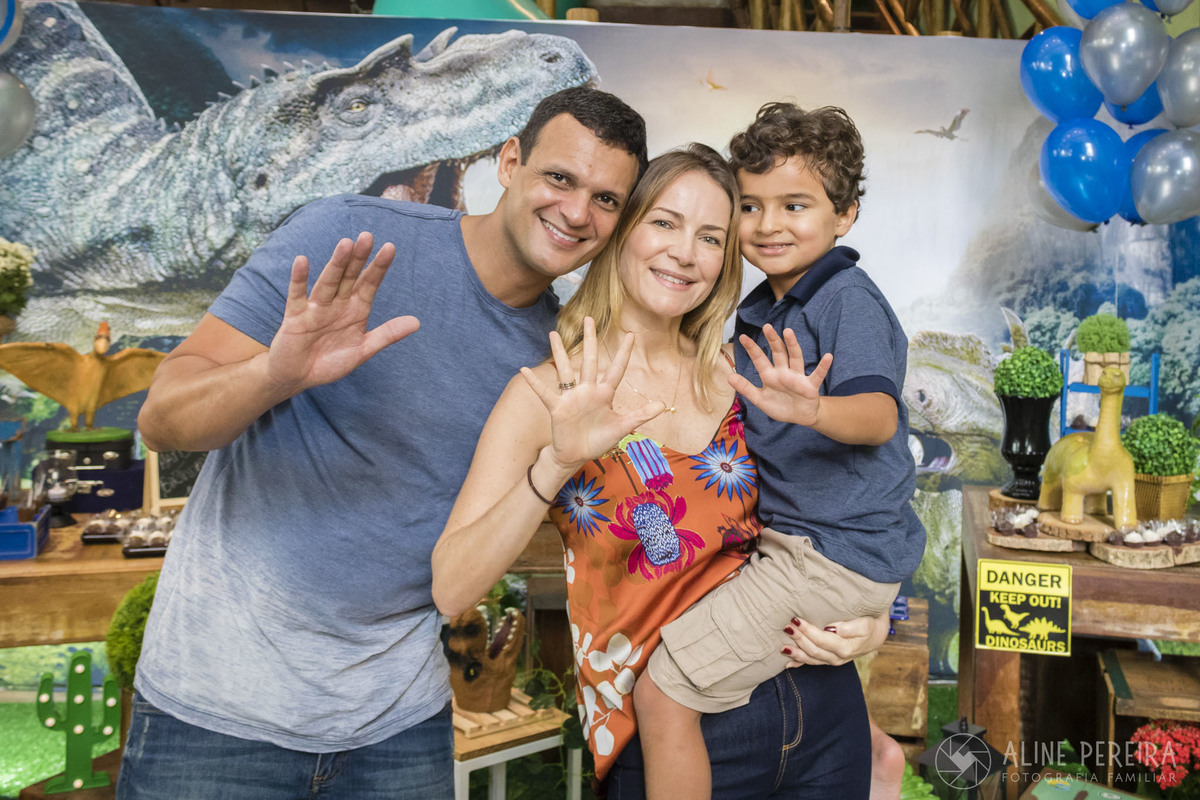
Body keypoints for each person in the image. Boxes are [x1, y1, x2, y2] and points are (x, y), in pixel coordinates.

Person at [122, 86, 648, 800]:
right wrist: (274, 374)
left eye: (607, 199)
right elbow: (162, 419)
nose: (578, 212)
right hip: (216, 714)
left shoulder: (556, 365)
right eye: (560, 177)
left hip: (396, 730)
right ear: (510, 160)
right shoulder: (348, 238)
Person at [432, 144, 888, 798]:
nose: (685, 252)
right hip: (676, 735)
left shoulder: (748, 378)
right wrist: (557, 461)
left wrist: (872, 623)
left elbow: (838, 520)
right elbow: (451, 587)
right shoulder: (546, 393)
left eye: (711, 237)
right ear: (624, 228)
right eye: (665, 223)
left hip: (821, 709)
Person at [632, 102, 926, 800]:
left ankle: (870, 758)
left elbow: (880, 415)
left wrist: (816, 410)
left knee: (665, 690)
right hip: (798, 548)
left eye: (794, 205)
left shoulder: (844, 298)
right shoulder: (760, 306)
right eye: (751, 206)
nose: (767, 226)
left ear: (845, 215)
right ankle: (879, 758)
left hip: (825, 555)